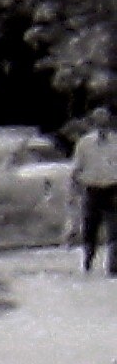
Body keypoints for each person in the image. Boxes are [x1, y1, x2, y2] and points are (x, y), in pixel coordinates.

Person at [74, 109, 117, 273]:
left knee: (115, 230)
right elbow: (77, 168)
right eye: (98, 122)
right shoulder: (84, 144)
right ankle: (88, 259)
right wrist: (76, 189)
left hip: (113, 189)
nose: (102, 126)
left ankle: (113, 266)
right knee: (90, 229)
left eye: (105, 122)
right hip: (92, 190)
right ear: (93, 123)